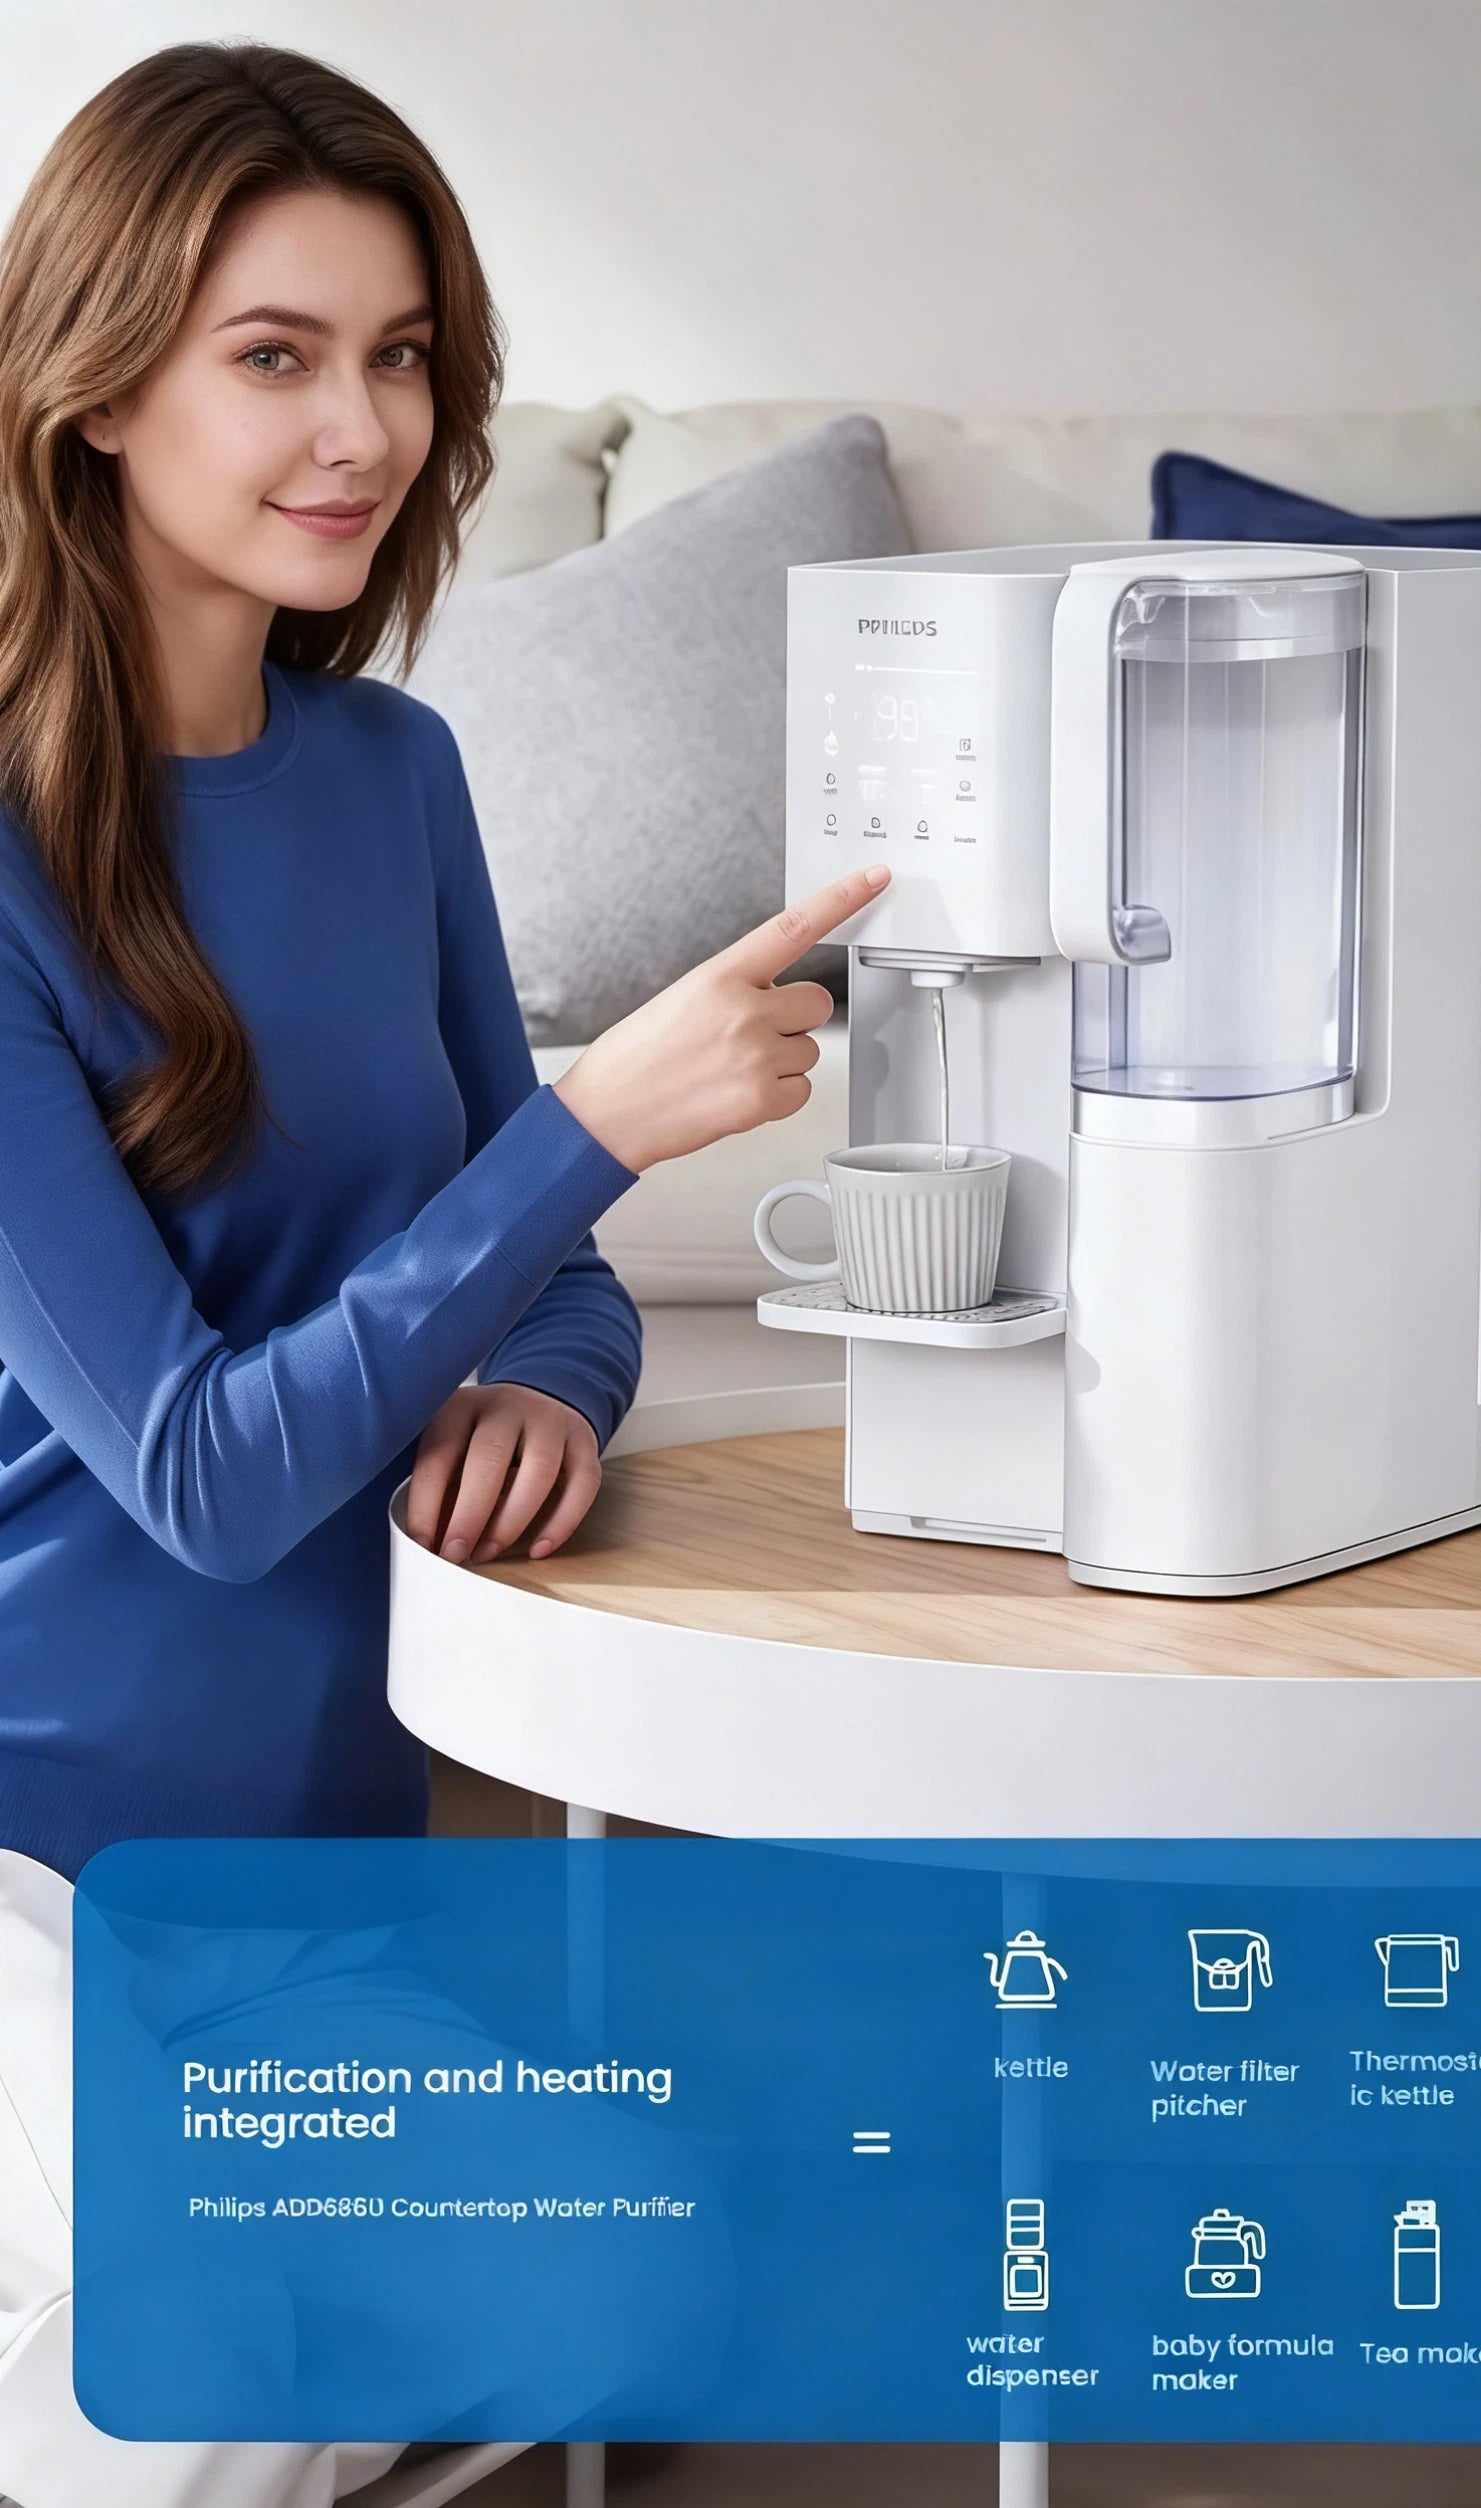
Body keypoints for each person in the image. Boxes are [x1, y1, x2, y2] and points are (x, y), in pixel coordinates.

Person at [0, 38, 889, 1889]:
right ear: (97, 389)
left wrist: (549, 1391)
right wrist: (600, 1120)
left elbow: (558, 1280)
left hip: (357, 1835)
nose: (364, 431)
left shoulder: (396, 773)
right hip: (52, 1867)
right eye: (274, 357)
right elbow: (205, 1482)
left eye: (398, 355)